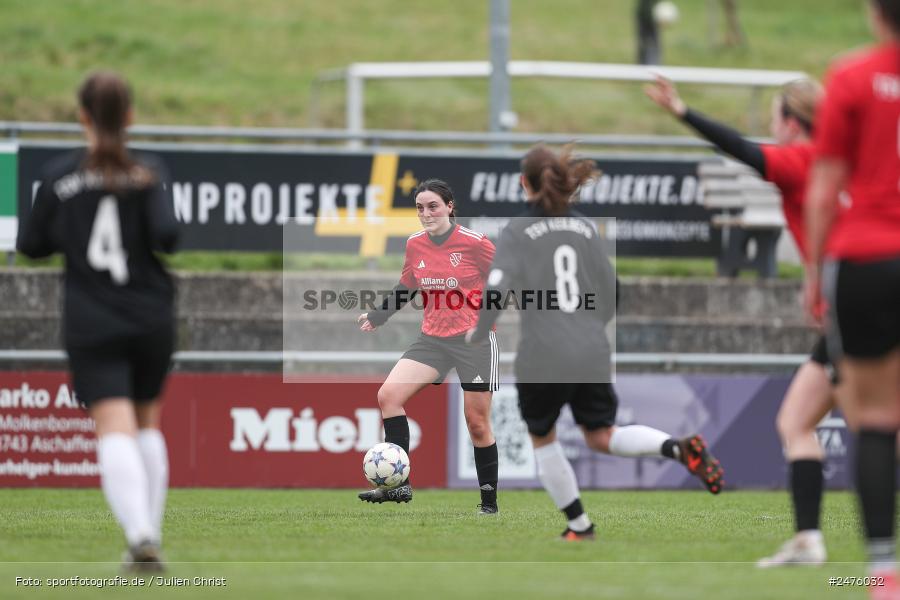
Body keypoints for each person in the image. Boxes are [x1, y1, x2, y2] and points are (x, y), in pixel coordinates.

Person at [467, 145, 724, 541]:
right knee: (601, 433)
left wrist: (481, 329)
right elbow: (612, 291)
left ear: (525, 183)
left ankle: (579, 526)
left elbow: (497, 287)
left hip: (544, 352)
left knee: (543, 437)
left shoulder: (518, 229)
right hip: (590, 348)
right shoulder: (586, 227)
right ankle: (676, 447)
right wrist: (587, 328)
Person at [645, 76, 836, 566]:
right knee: (797, 420)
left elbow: (744, 151)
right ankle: (807, 540)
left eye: (776, 119)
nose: (773, 129)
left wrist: (683, 111)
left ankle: (836, 551)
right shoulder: (846, 159)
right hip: (856, 306)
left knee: (861, 427)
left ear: (791, 123)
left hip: (851, 309)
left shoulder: (802, 160)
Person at [17, 72, 178, 571]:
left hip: (92, 318)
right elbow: (168, 236)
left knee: (113, 425)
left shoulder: (60, 178)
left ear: (82, 117)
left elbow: (30, 245)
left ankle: (140, 534)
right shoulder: (148, 174)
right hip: (151, 314)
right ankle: (148, 536)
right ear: (129, 117)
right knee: (147, 420)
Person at [806, 1, 900, 595]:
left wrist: (813, 274)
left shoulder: (851, 76)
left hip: (866, 257)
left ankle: (883, 573)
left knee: (876, 420)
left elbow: (823, 190)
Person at [357, 179, 501, 514]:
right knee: (388, 397)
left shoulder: (475, 243)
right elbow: (407, 284)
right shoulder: (415, 244)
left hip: (473, 341)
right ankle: (398, 487)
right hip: (433, 339)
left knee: (477, 423)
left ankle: (489, 504)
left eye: (433, 206)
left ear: (450, 206)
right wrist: (379, 316)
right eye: (420, 208)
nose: (426, 213)